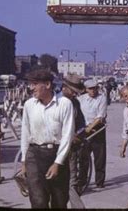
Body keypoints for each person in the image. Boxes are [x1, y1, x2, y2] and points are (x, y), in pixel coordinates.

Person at [20, 68, 74, 208]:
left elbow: (67, 136)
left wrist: (57, 163)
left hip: (56, 154)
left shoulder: (65, 104)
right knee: (38, 201)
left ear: (48, 85)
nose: (31, 88)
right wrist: (24, 161)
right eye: (31, 84)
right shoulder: (29, 105)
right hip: (34, 155)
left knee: (60, 201)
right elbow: (25, 133)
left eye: (35, 84)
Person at [78, 79, 108, 189]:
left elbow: (100, 116)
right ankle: (82, 180)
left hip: (98, 129)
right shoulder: (81, 99)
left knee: (99, 156)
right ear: (86, 89)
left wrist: (91, 127)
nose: (93, 91)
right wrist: (85, 129)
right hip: (84, 129)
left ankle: (99, 181)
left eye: (95, 88)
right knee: (83, 156)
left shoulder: (102, 98)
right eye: (90, 89)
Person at [60, 74, 86, 195]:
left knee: (72, 174)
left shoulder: (75, 103)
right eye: (72, 91)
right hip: (56, 145)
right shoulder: (55, 102)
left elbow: (81, 123)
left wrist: (78, 135)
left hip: (72, 146)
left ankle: (73, 194)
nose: (75, 94)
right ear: (64, 88)